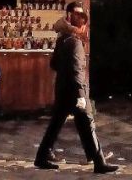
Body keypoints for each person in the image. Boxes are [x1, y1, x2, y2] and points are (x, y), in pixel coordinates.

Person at [34, 10, 118, 173]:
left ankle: (42, 156)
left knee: (57, 124)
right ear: (82, 26)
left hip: (62, 89)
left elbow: (54, 65)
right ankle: (99, 162)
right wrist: (80, 95)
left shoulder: (62, 40)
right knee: (87, 124)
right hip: (75, 92)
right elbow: (76, 70)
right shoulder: (75, 43)